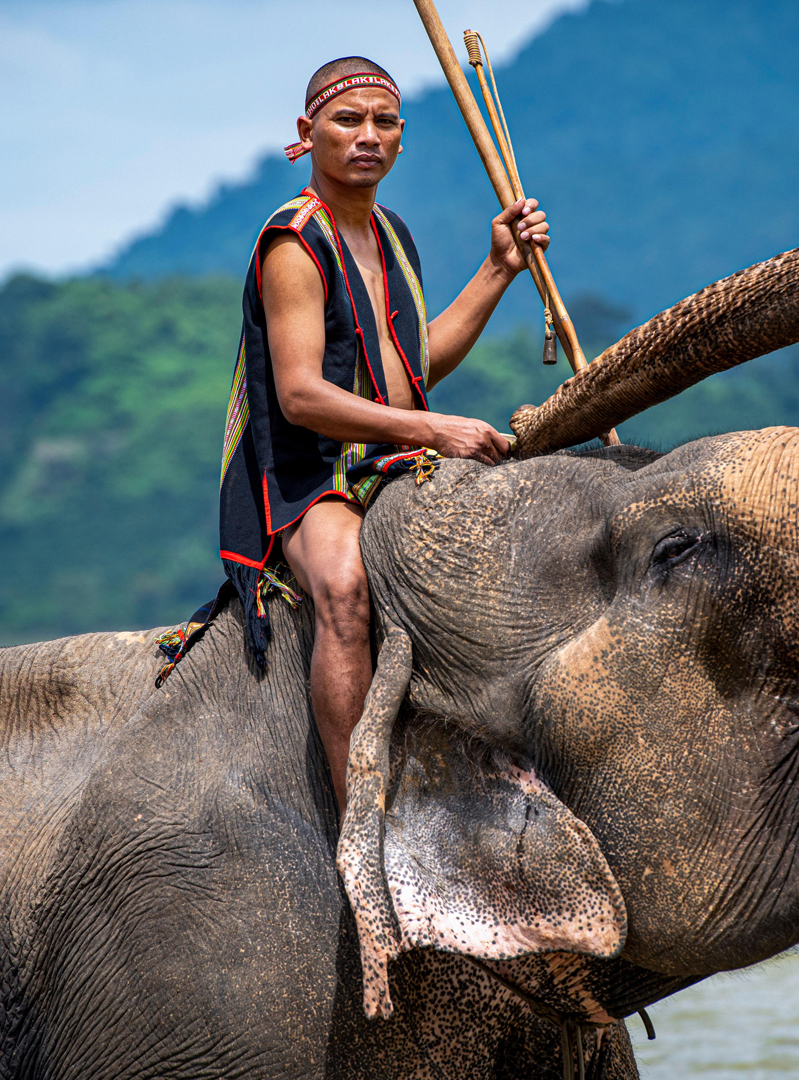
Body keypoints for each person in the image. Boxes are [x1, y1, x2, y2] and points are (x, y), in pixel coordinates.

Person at [214, 56, 548, 812]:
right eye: (347, 120)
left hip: (390, 461)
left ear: (401, 139)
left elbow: (408, 366)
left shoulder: (390, 233)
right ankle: (362, 817)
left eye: (384, 122)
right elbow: (301, 397)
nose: (367, 136)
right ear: (309, 133)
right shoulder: (294, 241)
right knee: (345, 586)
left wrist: (500, 269)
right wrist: (433, 428)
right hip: (311, 474)